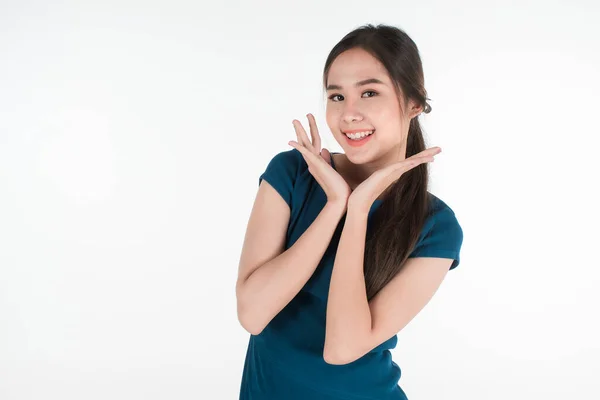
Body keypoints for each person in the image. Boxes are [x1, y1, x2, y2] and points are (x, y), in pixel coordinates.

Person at [236, 23, 463, 400]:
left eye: (369, 92)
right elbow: (253, 314)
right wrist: (334, 205)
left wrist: (357, 213)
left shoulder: (436, 227)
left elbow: (342, 349)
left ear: (413, 104)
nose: (348, 114)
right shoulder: (293, 174)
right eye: (336, 96)